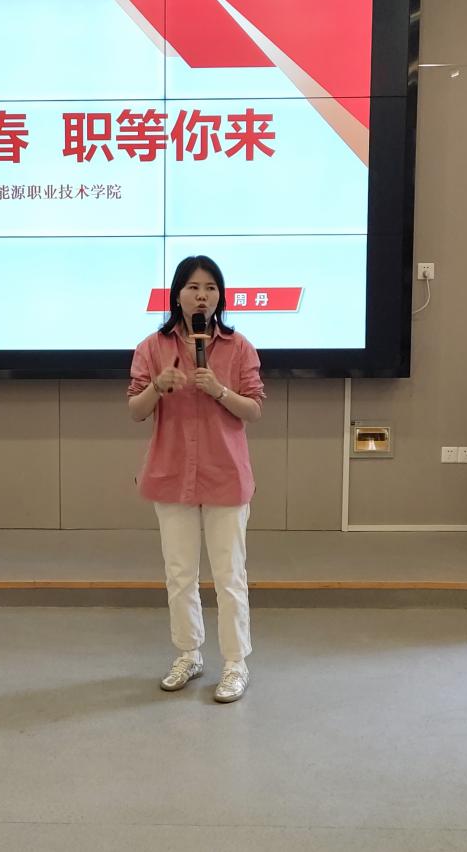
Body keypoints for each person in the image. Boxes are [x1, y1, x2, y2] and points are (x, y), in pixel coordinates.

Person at [128, 255, 265, 703]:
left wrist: (220, 391)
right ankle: (189, 654)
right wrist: (157, 386)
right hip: (171, 474)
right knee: (180, 573)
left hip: (225, 474)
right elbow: (135, 409)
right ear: (177, 295)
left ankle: (235, 663)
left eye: (210, 287)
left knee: (229, 575)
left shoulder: (238, 347)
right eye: (192, 287)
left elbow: (254, 409)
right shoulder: (152, 347)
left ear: (220, 296)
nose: (201, 296)